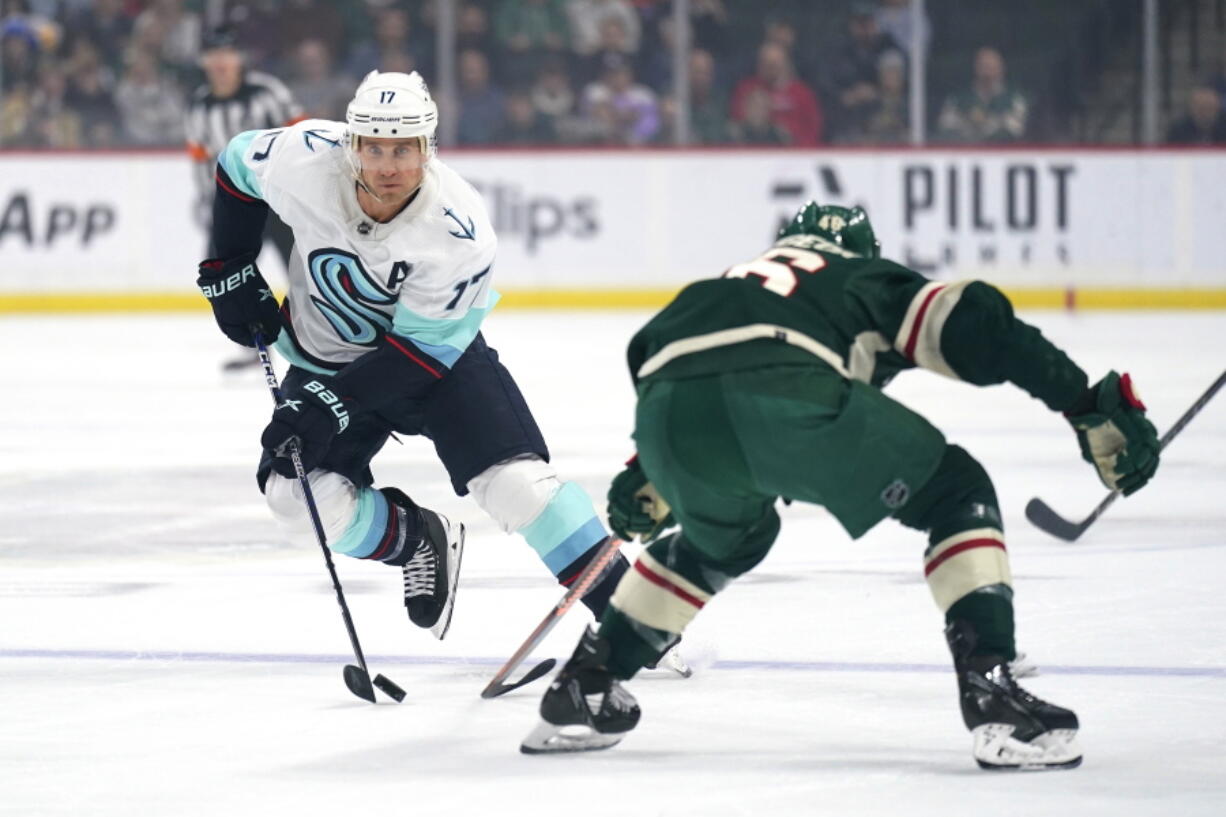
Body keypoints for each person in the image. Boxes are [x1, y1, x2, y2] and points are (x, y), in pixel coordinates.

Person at [520, 202, 1161, 769]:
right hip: (785, 390)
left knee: (725, 540)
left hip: (665, 417)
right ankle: (992, 690)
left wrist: (650, 474)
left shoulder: (729, 281)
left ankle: (588, 683)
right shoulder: (857, 274)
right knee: (955, 489)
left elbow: (665, 363)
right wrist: (1084, 401)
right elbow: (973, 324)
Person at [193, 70, 654, 654]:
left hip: (435, 367)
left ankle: (632, 618)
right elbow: (236, 164)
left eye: (405, 149)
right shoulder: (306, 156)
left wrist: (332, 403)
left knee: (517, 487)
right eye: (376, 148)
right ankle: (417, 539)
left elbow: (422, 352)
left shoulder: (458, 230)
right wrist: (229, 267)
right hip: (326, 358)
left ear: (429, 148)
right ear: (351, 144)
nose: (389, 166)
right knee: (296, 497)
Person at [186, 25, 303, 371]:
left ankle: (316, 342)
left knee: (304, 271)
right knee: (224, 275)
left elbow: (302, 136)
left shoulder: (268, 92)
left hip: (279, 202)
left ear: (240, 58)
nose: (221, 62)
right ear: (203, 61)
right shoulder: (200, 107)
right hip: (233, 205)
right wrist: (212, 203)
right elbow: (200, 159)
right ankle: (254, 340)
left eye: (228, 53)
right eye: (213, 54)